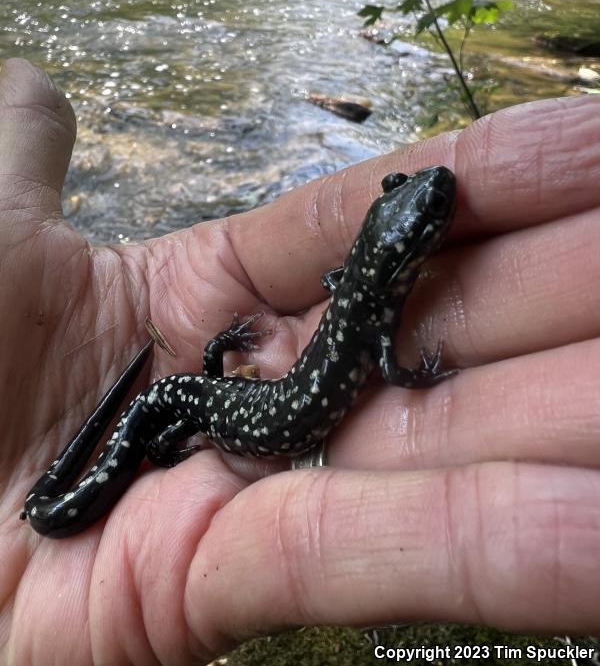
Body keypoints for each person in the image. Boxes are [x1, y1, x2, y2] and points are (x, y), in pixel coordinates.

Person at [1, 58, 598, 662]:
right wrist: (427, 376)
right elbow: (391, 370)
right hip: (206, 407)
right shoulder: (370, 314)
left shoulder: (355, 293)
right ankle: (120, 457)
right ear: (396, 259)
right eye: (420, 212)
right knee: (146, 437)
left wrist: (222, 354)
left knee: (168, 415)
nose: (432, 196)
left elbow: (355, 311)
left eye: (425, 217)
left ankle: (138, 442)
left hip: (208, 401)